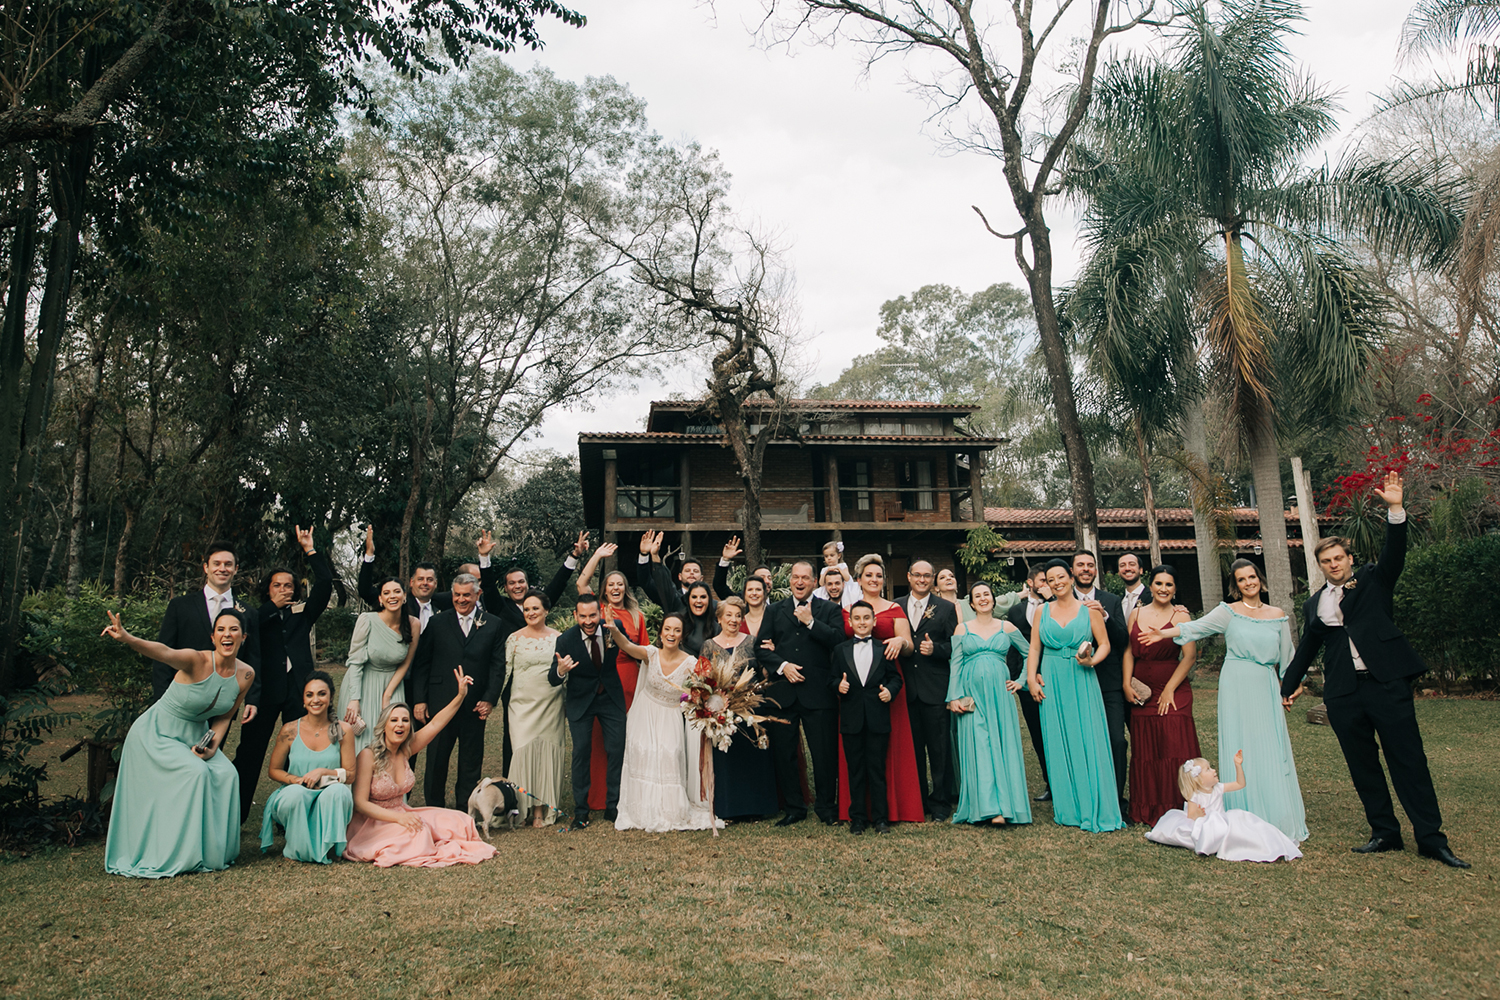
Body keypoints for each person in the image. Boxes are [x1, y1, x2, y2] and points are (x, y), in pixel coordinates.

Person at [1283, 472, 1467, 868]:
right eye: (1326, 561)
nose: (1333, 565)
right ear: (1319, 566)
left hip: (1386, 684)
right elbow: (1307, 650)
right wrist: (1287, 685)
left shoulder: (1373, 580)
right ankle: (1384, 832)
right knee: (1362, 765)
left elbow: (1394, 554)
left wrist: (1396, 509)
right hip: (1344, 694)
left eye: (1338, 559)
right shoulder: (1315, 605)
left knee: (1408, 760)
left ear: (1349, 559)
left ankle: (1432, 839)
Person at [1146, 560, 1307, 843]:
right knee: (1241, 743)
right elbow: (1196, 628)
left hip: (1264, 683)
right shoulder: (1228, 612)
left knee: (1269, 745)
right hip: (1235, 682)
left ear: (1260, 579)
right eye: (1242, 579)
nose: (1249, 583)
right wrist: (1164, 632)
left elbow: (1288, 658)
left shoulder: (1277, 614)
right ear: (1236, 585)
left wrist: (1292, 687)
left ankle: (1274, 814)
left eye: (1252, 577)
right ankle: (1240, 813)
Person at [101, 609, 254, 878]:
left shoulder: (246, 675)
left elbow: (225, 718)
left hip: (197, 736)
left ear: (243, 636)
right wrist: (127, 638)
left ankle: (214, 854)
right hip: (158, 733)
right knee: (194, 774)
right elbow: (163, 652)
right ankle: (182, 855)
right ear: (213, 636)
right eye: (221, 630)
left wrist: (211, 749)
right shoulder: (196, 660)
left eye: (233, 629)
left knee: (227, 774)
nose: (227, 635)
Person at [235, 526, 333, 824]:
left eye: (288, 586)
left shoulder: (302, 613)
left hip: (299, 693)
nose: (284, 590)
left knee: (299, 755)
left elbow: (326, 583)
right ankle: (236, 815)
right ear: (268, 588)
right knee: (250, 754)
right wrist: (270, 608)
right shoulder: (255, 614)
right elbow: (246, 628)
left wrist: (310, 549)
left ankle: (293, 814)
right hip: (263, 693)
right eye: (277, 585)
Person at [343, 687, 498, 867]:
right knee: (419, 833)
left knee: (460, 820)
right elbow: (360, 803)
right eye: (394, 720)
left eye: (405, 720)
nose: (400, 724)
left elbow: (435, 724)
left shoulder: (406, 750)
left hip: (403, 812)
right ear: (384, 726)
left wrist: (460, 696)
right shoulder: (367, 756)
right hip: (373, 822)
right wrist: (399, 819)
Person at [1026, 559, 1123, 833]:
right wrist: (1032, 679)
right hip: (1052, 679)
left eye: (1060, 577)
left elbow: (1104, 644)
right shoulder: (1041, 611)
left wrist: (1093, 662)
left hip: (1082, 679)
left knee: (1087, 737)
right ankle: (1067, 807)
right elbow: (1034, 649)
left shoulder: (1089, 610)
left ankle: (1093, 802)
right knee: (1058, 739)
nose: (1056, 583)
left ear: (1070, 577)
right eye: (1049, 580)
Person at [478, 527, 583, 777]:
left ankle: (541, 782)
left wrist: (574, 556)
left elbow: (557, 585)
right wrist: (484, 558)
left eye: (521, 582)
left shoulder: (537, 603)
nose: (517, 586)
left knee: (544, 738)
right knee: (513, 737)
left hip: (545, 687)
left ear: (528, 584)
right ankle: (513, 788)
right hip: (516, 684)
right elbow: (489, 590)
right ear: (505, 587)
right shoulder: (500, 607)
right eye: (512, 583)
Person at [755, 560, 846, 826]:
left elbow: (839, 641)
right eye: (795, 577)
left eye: (805, 578)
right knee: (784, 753)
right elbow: (761, 648)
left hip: (818, 693)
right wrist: (782, 666)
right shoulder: (774, 611)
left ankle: (827, 807)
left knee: (823, 753)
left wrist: (810, 623)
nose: (799, 582)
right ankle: (794, 808)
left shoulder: (828, 609)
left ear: (814, 582)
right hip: (783, 693)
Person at [609, 613, 718, 831]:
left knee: (669, 753)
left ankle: (670, 810)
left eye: (676, 630)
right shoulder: (650, 653)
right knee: (644, 752)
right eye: (667, 629)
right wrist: (613, 630)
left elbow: (709, 685)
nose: (671, 634)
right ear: (661, 633)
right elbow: (627, 646)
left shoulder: (689, 662)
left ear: (682, 636)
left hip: (670, 715)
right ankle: (641, 810)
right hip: (645, 712)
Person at [835, 554, 923, 824]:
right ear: (858, 579)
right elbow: (838, 649)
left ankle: (892, 809)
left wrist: (899, 640)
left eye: (878, 576)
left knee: (887, 751)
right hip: (854, 691)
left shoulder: (894, 609)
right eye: (868, 575)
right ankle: (858, 812)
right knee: (858, 757)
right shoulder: (847, 610)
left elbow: (909, 647)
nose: (874, 580)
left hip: (887, 684)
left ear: (884, 581)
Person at [408, 574, 507, 810]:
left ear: (477, 595)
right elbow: (423, 663)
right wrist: (420, 700)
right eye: (457, 595)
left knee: (471, 759)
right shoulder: (437, 622)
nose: (461, 599)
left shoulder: (492, 623)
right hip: (440, 702)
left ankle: (465, 808)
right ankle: (434, 807)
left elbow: (497, 665)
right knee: (436, 759)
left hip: (474, 704)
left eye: (466, 595)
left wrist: (490, 699)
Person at [1121, 565, 1202, 826]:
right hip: (1141, 690)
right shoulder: (1135, 613)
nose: (1163, 589)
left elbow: (1190, 656)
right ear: (1151, 585)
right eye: (1159, 583)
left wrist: (1169, 688)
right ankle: (1147, 808)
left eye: (1169, 584)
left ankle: (1181, 806)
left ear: (1175, 589)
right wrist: (1125, 683)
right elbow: (1128, 651)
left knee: (1175, 747)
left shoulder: (1182, 618)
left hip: (1173, 688)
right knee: (1146, 750)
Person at [946, 581, 1032, 826]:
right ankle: (986, 806)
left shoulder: (1007, 627)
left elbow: (1029, 653)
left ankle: (1006, 807)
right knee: (979, 746)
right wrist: (954, 696)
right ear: (971, 603)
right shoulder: (962, 629)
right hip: (971, 694)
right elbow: (956, 665)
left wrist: (1021, 680)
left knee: (1001, 744)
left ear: (993, 600)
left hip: (1000, 696)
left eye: (986, 594)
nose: (983, 599)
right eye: (977, 596)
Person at [150, 541, 260, 721]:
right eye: (216, 564)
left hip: (223, 702)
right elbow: (163, 655)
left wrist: (252, 699)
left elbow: (253, 658)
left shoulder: (249, 613)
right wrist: (162, 699)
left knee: (211, 749)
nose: (222, 569)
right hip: (181, 699)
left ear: (236, 569)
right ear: (206, 568)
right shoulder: (180, 606)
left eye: (228, 564)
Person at [577, 541, 649, 814]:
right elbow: (582, 584)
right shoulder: (597, 610)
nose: (616, 588)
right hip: (604, 678)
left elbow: (643, 651)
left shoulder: (637, 615)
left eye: (620, 584)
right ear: (604, 590)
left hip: (630, 679)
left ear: (625, 588)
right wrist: (597, 555)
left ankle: (627, 794)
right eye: (611, 585)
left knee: (626, 739)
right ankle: (599, 796)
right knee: (600, 739)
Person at [259, 671, 355, 864]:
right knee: (296, 795)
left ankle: (331, 848)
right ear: (303, 700)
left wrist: (323, 772)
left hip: (328, 791)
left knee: (338, 792)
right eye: (309, 695)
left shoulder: (343, 730)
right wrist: (296, 780)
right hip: (296, 791)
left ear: (330, 698)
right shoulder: (290, 729)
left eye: (321, 694)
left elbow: (350, 775)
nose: (315, 700)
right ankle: (296, 849)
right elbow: (274, 770)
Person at [549, 594, 627, 829]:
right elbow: (552, 678)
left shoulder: (614, 627)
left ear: (600, 613)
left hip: (610, 698)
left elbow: (630, 648)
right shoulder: (566, 640)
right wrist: (561, 671)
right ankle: (581, 811)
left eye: (592, 615)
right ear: (575, 616)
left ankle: (614, 806)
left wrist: (617, 633)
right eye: (582, 616)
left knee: (616, 749)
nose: (588, 620)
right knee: (581, 752)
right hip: (581, 701)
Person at [1146, 753, 1302, 862]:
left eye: (1211, 767)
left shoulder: (1218, 788)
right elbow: (1191, 816)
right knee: (1212, 823)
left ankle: (1267, 842)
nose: (1214, 770)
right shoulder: (1195, 795)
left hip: (1221, 821)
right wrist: (1198, 815)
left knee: (1242, 818)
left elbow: (1240, 784)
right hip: (1205, 823)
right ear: (1199, 780)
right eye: (1208, 769)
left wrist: (1238, 765)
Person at [705, 598, 779, 821]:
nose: (734, 620)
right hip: (722, 711)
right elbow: (704, 678)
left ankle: (757, 807)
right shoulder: (709, 645)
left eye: (738, 615)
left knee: (754, 755)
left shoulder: (752, 642)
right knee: (727, 759)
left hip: (751, 706)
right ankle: (730, 809)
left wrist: (773, 654)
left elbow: (764, 672)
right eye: (729, 615)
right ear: (719, 619)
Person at [834, 601, 902, 835]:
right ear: (850, 622)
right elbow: (831, 679)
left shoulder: (883, 648)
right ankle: (858, 819)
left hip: (877, 718)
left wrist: (890, 691)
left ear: (874, 621)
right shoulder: (840, 650)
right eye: (857, 618)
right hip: (852, 720)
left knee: (876, 769)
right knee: (856, 770)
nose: (862, 623)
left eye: (866, 618)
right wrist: (838, 685)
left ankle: (881, 819)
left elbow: (896, 678)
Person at [1071, 550, 1131, 809]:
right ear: (1072, 570)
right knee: (1082, 740)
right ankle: (1085, 795)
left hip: (1108, 682)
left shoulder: (1111, 600)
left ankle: (1116, 799)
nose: (1086, 569)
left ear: (1096, 570)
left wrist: (1105, 615)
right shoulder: (1060, 600)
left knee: (1116, 740)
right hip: (1074, 680)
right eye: (1080, 565)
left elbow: (1123, 640)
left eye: (1090, 565)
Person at [901, 559, 960, 820]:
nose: (922, 580)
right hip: (906, 690)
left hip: (934, 687)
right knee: (913, 749)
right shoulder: (897, 606)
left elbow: (955, 646)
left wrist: (936, 650)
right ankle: (918, 801)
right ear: (909, 577)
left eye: (927, 576)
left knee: (939, 750)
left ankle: (940, 803)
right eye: (917, 575)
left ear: (932, 579)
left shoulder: (946, 608)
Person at [339, 578, 421, 754]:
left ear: (404, 596)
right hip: (362, 684)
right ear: (380, 599)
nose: (392, 596)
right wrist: (354, 699)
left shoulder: (414, 624)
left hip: (392, 685)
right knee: (362, 743)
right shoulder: (367, 620)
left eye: (397, 591)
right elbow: (355, 662)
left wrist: (388, 695)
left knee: (391, 741)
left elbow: (406, 663)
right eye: (386, 593)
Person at [504, 591, 565, 827]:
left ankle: (540, 810)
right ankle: (519, 808)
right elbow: (505, 673)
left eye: (535, 609)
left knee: (545, 754)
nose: (530, 613)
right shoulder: (514, 639)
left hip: (551, 703)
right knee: (522, 752)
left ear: (546, 611)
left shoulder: (559, 638)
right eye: (527, 609)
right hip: (521, 705)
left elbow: (563, 671)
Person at [1005, 566, 1052, 801]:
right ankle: (1049, 782)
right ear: (1030, 583)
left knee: (1056, 731)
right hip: (1027, 679)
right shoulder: (1015, 612)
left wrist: (1050, 599)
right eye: (1042, 580)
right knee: (1036, 732)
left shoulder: (1057, 606)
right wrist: (1018, 679)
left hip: (1054, 676)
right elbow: (1015, 648)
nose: (1046, 584)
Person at [357, 527, 447, 631]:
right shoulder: (399, 602)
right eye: (420, 579)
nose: (425, 583)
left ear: (435, 583)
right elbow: (365, 591)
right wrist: (369, 555)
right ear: (411, 582)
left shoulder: (443, 604)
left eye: (429, 580)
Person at [631, 529, 705, 606]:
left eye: (696, 571)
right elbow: (646, 582)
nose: (692, 573)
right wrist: (644, 555)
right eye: (687, 570)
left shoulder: (709, 602)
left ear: (701, 578)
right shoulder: (669, 597)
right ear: (680, 576)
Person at [812, 539, 856, 608]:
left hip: (844, 591)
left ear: (838, 556)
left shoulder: (842, 566)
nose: (829, 558)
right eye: (826, 556)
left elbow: (847, 578)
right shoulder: (824, 569)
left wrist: (839, 569)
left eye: (832, 555)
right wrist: (826, 572)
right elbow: (821, 583)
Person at [1117, 553, 1147, 621]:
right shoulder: (1117, 602)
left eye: (1132, 564)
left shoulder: (1153, 597)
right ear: (1118, 572)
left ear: (1141, 570)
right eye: (1122, 565)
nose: (1127, 568)